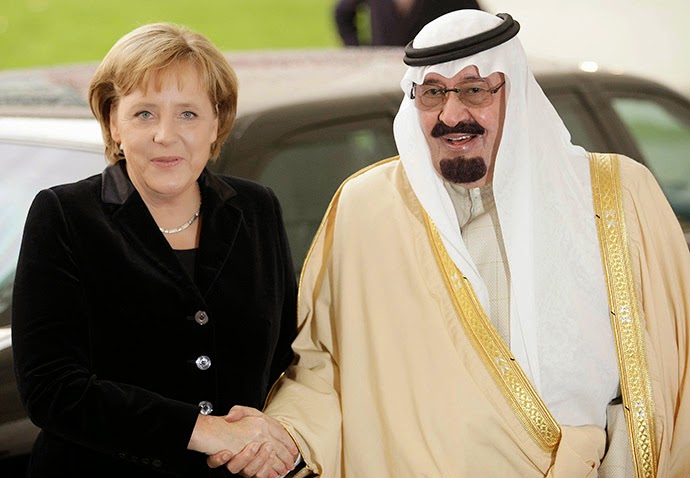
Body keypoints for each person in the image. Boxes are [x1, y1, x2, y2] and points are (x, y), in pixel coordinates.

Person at [212, 9, 690, 477]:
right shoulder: (367, 210)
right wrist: (286, 435)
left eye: (474, 90)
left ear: (515, 92)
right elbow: (327, 370)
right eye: (433, 93)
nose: (451, 114)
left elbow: (671, 370)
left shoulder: (615, 196)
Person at [11, 22, 299, 478]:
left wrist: (277, 437)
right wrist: (203, 430)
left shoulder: (256, 208)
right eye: (144, 113)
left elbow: (288, 358)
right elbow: (53, 388)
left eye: (188, 114)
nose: (166, 134)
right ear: (113, 122)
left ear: (216, 123)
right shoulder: (64, 215)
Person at [333, 0, 482, 47]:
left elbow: (477, 21)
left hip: (428, 68)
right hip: (383, 68)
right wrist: (359, 49)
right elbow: (342, 13)